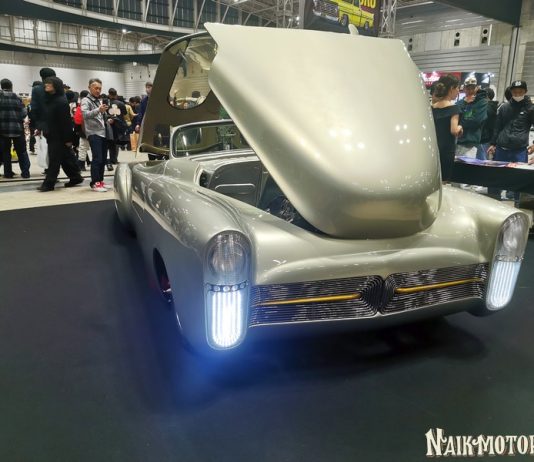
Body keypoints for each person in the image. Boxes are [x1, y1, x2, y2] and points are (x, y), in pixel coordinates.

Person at [487, 80, 534, 204]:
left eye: (520, 92)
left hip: (520, 150)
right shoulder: (504, 107)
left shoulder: (530, 108)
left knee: (520, 178)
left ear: (525, 91)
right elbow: (497, 127)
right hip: (501, 149)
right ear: (511, 92)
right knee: (495, 177)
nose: (517, 94)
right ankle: (492, 202)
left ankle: (518, 203)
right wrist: (493, 144)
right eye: (515, 92)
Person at [37, 76, 83, 191]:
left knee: (54, 160)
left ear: (56, 86)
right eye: (46, 83)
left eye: (49, 83)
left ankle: (49, 183)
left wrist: (68, 139)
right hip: (52, 134)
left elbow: (66, 122)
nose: (46, 85)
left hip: (59, 136)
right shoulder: (50, 100)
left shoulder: (61, 101)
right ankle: (75, 177)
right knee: (64, 158)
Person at [431, 74, 463, 181]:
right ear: (451, 88)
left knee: (433, 178)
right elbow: (454, 130)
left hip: (432, 149)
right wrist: (460, 127)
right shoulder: (454, 108)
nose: (458, 91)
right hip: (446, 151)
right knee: (444, 180)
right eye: (457, 88)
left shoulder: (432, 107)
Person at [81, 78, 109, 192]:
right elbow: (85, 115)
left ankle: (100, 181)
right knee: (97, 158)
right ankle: (95, 183)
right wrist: (98, 110)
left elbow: (100, 116)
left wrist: (107, 117)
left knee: (103, 159)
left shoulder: (99, 100)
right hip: (93, 133)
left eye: (100, 88)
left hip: (103, 133)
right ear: (89, 88)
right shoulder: (85, 100)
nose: (98, 90)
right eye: (96, 88)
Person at [0, 78, 31, 179]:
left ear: (1, 86)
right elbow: (24, 113)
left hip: (2, 130)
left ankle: (8, 173)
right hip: (18, 129)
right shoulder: (17, 97)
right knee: (22, 151)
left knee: (5, 152)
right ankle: (25, 173)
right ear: (11, 86)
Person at [456, 76, 487, 159]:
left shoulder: (481, 102)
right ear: (464, 89)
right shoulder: (460, 102)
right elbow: (454, 115)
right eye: (468, 88)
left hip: (472, 144)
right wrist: (465, 103)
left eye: (472, 88)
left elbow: (475, 121)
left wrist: (460, 123)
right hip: (458, 142)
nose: (470, 91)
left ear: (476, 88)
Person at [105, 87, 127, 170]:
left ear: (109, 94)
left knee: (110, 142)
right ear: (116, 94)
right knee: (116, 142)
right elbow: (125, 113)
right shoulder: (121, 103)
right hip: (119, 124)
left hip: (109, 125)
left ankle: (110, 159)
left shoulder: (106, 104)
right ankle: (114, 159)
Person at [478, 88, 497, 160]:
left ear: (486, 96)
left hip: (483, 138)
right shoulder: (492, 106)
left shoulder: (487, 108)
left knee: (481, 160)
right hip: (487, 138)